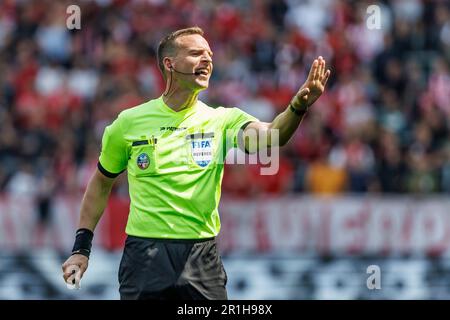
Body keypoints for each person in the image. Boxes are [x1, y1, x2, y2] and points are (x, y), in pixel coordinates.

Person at [61, 26, 330, 300]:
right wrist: (81, 249)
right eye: (196, 53)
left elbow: (271, 137)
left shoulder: (223, 120)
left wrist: (297, 107)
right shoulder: (129, 123)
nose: (207, 60)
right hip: (145, 257)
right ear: (170, 64)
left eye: (210, 54)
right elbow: (101, 184)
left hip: (201, 258)